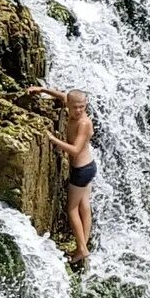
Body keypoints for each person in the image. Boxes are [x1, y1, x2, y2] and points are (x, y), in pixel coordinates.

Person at [22, 85, 96, 266]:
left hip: (81, 170)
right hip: (88, 168)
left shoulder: (84, 123)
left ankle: (82, 249)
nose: (78, 110)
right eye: (75, 107)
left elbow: (75, 150)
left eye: (82, 107)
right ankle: (82, 246)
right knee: (84, 205)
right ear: (69, 105)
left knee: (72, 209)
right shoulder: (70, 103)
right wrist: (42, 90)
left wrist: (52, 139)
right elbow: (64, 96)